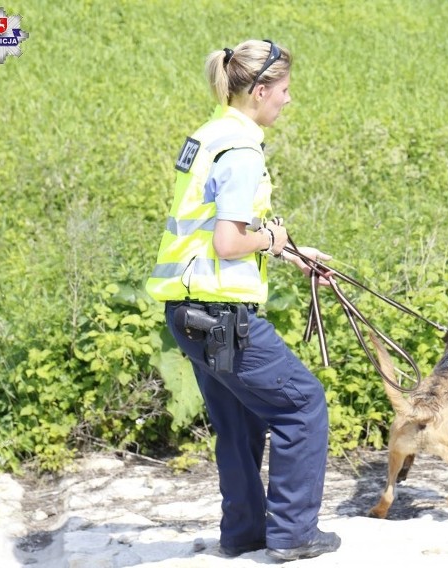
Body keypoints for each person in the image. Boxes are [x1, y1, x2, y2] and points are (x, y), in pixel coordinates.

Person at [145, 39, 340, 562]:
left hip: (189, 314)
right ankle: (294, 535)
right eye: (283, 91)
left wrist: (292, 253)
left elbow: (216, 228)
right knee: (302, 405)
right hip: (223, 316)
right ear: (259, 91)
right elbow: (229, 242)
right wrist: (272, 242)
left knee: (239, 422)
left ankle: (244, 534)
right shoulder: (242, 151)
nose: (287, 100)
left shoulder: (211, 135)